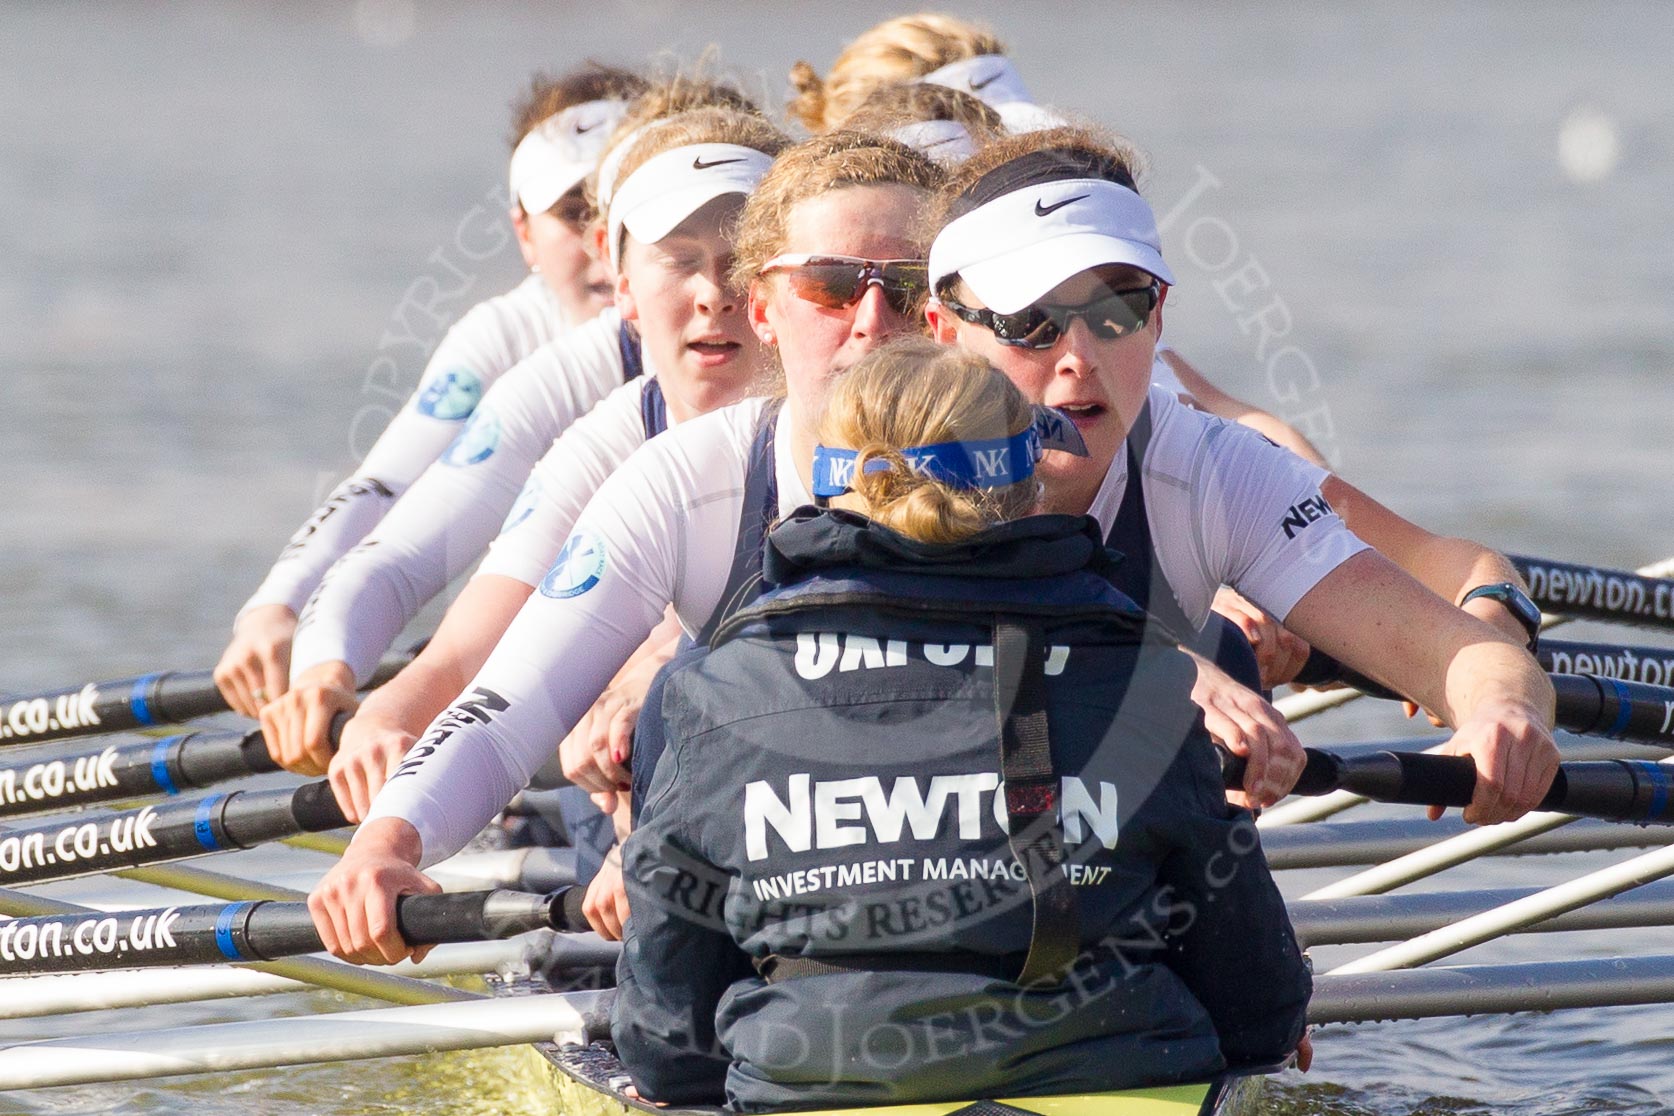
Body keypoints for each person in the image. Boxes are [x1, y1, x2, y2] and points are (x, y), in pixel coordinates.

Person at [612, 338, 1310, 1109]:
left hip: (815, 1087)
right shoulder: (1152, 686)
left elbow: (667, 1044)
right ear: (1027, 485)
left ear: (826, 483)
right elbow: (1262, 1010)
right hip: (1119, 1083)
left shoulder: (708, 690)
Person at [305, 130, 948, 962]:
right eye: (828, 287)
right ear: (768, 306)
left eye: (903, 288)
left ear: (948, 311)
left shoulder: (1037, 455)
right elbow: (505, 709)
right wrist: (385, 846)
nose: (869, 324)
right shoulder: (680, 477)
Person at [922, 126, 1558, 823]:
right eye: (1031, 321)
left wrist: (1502, 709)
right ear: (943, 331)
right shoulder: (869, 466)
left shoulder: (1206, 466)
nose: (1079, 356)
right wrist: (1162, 668)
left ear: (1159, 316)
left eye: (1116, 309)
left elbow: (1455, 650)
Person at [263, 105, 788, 786]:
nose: (713, 293)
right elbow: (449, 625)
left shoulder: (855, 400)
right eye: (677, 256)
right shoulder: (587, 400)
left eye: (737, 258)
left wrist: (658, 668)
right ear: (623, 267)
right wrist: (369, 700)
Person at [214, 64, 644, 718]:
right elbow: (385, 489)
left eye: (624, 209)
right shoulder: (504, 335)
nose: (602, 243)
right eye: (575, 212)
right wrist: (278, 607)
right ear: (525, 233)